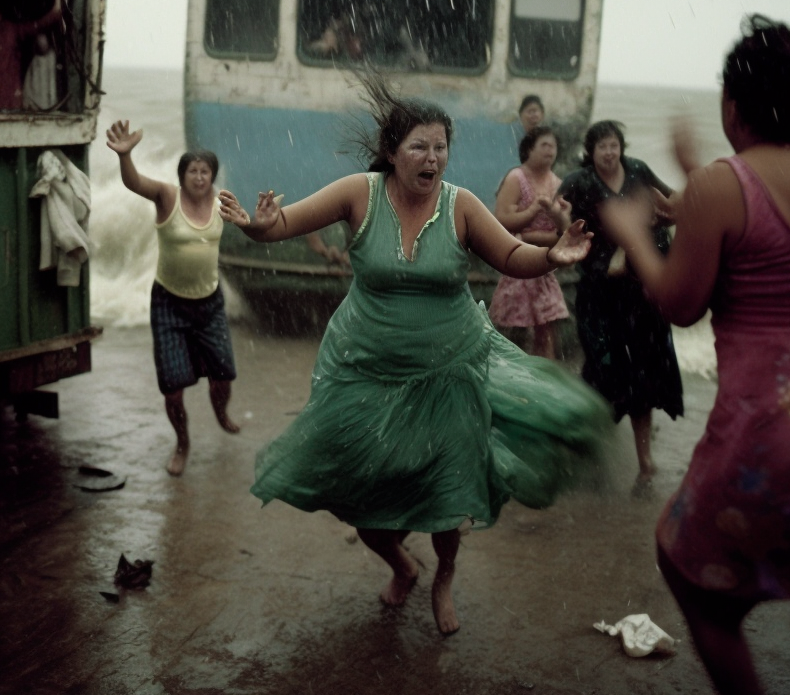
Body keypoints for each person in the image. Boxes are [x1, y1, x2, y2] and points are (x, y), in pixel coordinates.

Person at [217, 77, 610, 635]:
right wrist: (259, 228)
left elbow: (511, 255)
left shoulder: (461, 205)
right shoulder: (359, 193)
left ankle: (443, 578)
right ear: (392, 151)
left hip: (449, 371)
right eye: (419, 147)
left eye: (441, 147)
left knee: (447, 495)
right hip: (365, 371)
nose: (432, 158)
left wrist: (553, 255)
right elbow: (281, 224)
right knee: (361, 491)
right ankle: (402, 563)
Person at [600, 15, 790, 695]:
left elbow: (680, 303)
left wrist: (633, 234)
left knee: (689, 570)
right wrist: (699, 185)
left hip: (779, 438)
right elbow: (787, 224)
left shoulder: (719, 187)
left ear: (731, 106)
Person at [106, 121, 240, 477]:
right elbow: (134, 183)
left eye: (205, 171)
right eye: (192, 171)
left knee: (223, 375)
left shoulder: (222, 202)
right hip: (169, 303)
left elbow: (250, 225)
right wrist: (125, 156)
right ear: (182, 175)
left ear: (213, 176)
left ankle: (221, 413)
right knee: (173, 389)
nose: (199, 177)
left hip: (209, 303)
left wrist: (266, 222)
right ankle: (182, 443)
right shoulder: (167, 196)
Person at [557, 120, 684, 489]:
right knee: (602, 370)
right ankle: (592, 453)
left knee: (643, 374)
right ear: (591, 151)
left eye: (614, 145)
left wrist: (669, 214)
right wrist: (558, 218)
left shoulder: (639, 170)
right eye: (602, 147)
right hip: (599, 292)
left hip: (641, 291)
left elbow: (673, 200)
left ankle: (645, 464)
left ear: (621, 147)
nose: (609, 152)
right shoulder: (579, 181)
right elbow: (560, 215)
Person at [489, 126, 570, 359]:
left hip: (546, 265)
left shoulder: (558, 183)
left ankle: (542, 378)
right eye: (544, 145)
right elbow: (501, 220)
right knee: (513, 333)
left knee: (547, 329)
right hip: (519, 263)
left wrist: (555, 216)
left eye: (553, 146)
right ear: (529, 149)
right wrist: (533, 210)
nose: (549, 150)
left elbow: (565, 230)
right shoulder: (516, 177)